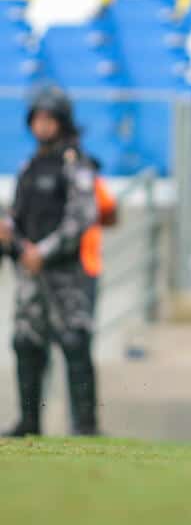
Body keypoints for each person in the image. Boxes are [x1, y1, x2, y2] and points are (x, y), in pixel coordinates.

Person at [1, 86, 101, 438]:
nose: (42, 126)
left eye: (49, 119)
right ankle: (28, 424)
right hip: (30, 275)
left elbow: (82, 216)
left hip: (66, 274)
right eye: (37, 119)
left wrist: (41, 252)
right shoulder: (29, 166)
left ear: (61, 121)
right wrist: (10, 233)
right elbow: (17, 213)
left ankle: (85, 428)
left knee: (75, 342)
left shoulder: (75, 164)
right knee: (26, 344)